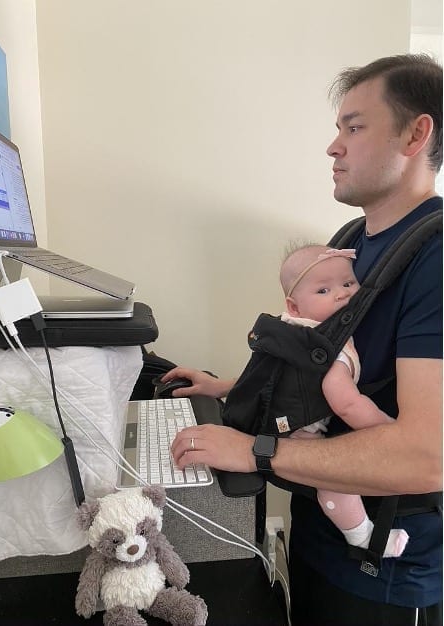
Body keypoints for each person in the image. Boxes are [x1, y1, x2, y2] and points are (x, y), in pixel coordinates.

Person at [167, 54, 442, 626]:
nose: (333, 146)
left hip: (384, 569)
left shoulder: (435, 259)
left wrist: (254, 451)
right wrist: (229, 388)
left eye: (354, 126)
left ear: (417, 134)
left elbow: (429, 455)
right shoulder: (348, 242)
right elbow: (316, 365)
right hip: (318, 528)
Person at [280, 243, 408, 558]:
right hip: (296, 431)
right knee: (336, 478)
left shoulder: (287, 329)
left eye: (348, 284)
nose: (341, 294)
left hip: (268, 414)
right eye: (324, 290)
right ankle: (362, 536)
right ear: (294, 306)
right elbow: (345, 402)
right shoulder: (332, 345)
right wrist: (388, 429)